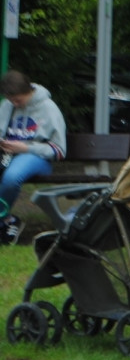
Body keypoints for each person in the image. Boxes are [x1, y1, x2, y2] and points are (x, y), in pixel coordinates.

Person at [0, 70, 67, 246]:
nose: (15, 104)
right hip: (7, 154)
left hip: (37, 158)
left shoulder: (48, 108)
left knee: (12, 177)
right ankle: (7, 221)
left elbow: (59, 150)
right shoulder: (7, 105)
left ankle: (4, 221)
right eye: (11, 100)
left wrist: (26, 147)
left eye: (18, 100)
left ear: (28, 91)